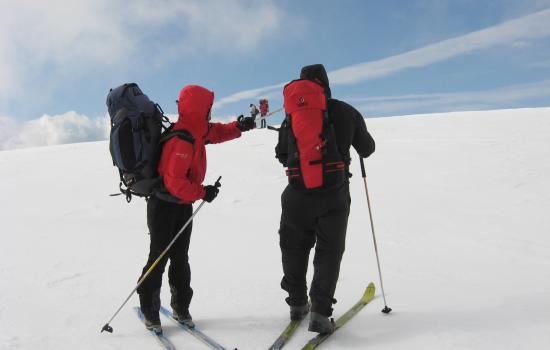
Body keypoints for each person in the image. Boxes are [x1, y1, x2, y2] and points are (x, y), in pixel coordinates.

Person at [137, 85, 255, 334]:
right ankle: (150, 311)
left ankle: (181, 308)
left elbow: (217, 132)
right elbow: (174, 182)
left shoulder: (197, 131)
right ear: (200, 108)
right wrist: (203, 192)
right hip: (164, 206)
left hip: (181, 206)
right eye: (209, 107)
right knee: (159, 257)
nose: (211, 111)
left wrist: (238, 127)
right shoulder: (181, 138)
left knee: (180, 258)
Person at [275, 64, 375, 334]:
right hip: (334, 193)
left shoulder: (291, 115)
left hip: (296, 194)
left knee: (294, 247)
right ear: (326, 83)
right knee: (329, 251)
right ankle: (319, 312)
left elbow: (282, 154)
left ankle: (297, 303)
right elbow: (368, 148)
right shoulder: (345, 110)